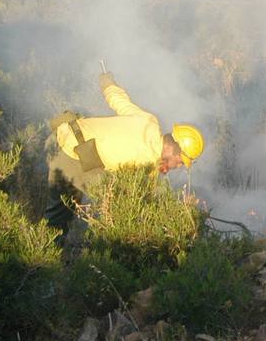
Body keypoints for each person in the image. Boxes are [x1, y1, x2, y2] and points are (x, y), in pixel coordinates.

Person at [44, 69, 205, 241]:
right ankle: (44, 258)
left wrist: (107, 82)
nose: (178, 166)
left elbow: (119, 101)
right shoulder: (148, 165)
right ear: (173, 150)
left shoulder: (149, 121)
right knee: (64, 220)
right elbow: (142, 204)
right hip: (71, 156)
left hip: (61, 134)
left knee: (69, 204)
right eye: (180, 161)